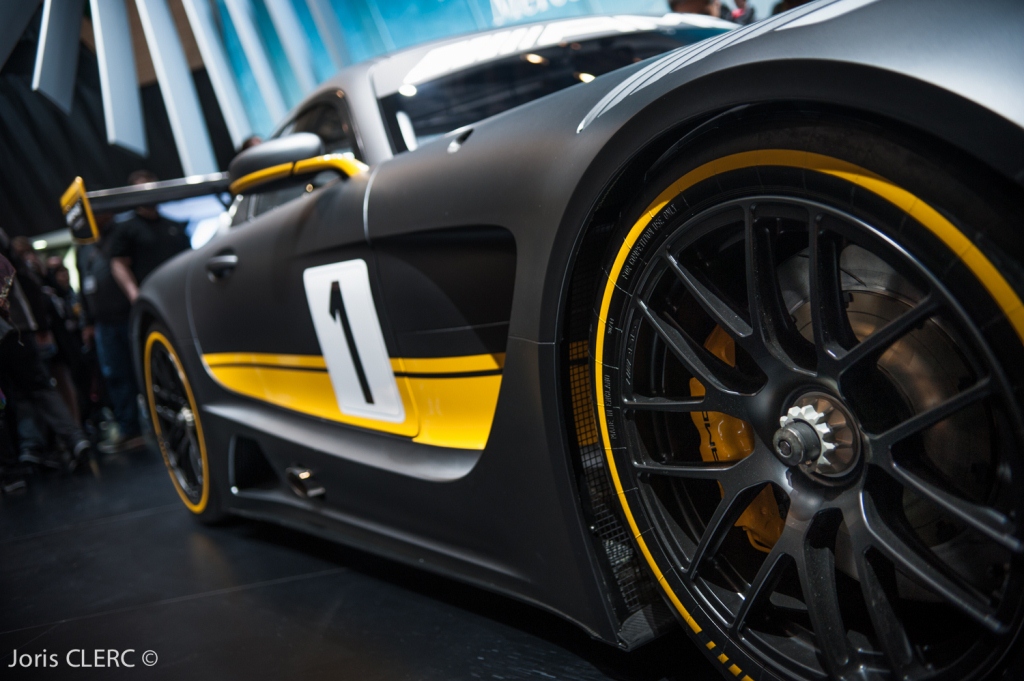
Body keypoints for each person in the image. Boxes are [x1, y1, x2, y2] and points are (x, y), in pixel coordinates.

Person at [0, 229, 92, 471]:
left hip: (17, 328)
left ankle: (33, 450)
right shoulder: (11, 259)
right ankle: (50, 444)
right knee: (32, 389)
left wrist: (39, 325)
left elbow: (28, 286)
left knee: (31, 389)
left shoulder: (11, 261)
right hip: (19, 328)